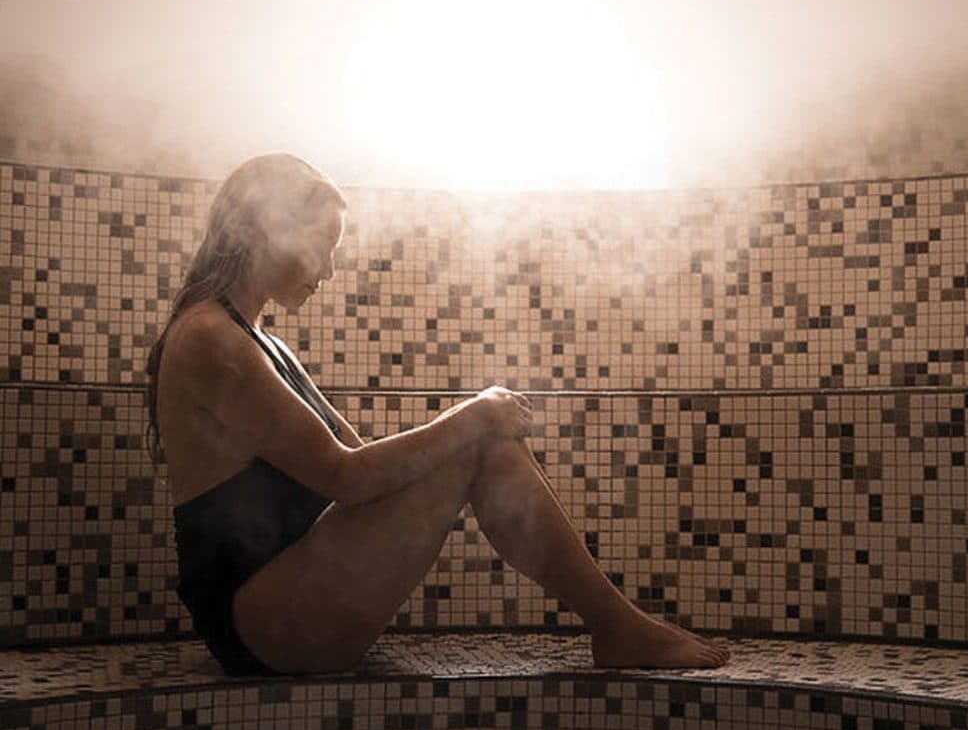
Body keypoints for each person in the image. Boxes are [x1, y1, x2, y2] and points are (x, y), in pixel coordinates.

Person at [146, 153, 731, 676]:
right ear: (268, 229)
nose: (326, 271)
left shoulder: (255, 338)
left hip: (285, 603)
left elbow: (362, 463)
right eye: (322, 247)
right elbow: (345, 478)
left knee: (480, 444)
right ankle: (616, 625)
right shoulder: (210, 339)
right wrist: (473, 417)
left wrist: (470, 426)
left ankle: (615, 623)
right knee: (479, 442)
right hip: (262, 623)